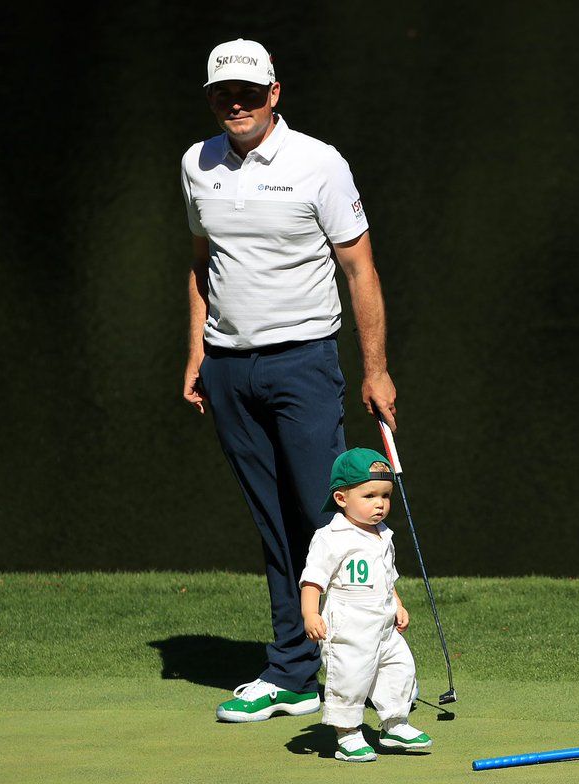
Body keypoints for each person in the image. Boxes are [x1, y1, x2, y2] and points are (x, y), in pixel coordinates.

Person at [180, 38, 398, 722]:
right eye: (223, 93)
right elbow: (201, 263)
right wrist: (195, 355)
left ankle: (368, 660)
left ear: (274, 93)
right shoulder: (197, 162)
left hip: (302, 361)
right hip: (227, 368)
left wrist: (375, 369)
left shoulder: (318, 164)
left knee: (326, 516)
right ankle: (294, 670)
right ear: (212, 98)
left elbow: (359, 268)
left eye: (248, 92)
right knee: (272, 521)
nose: (235, 104)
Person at [300, 448, 431, 762]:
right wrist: (310, 613)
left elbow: (388, 577)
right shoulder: (331, 537)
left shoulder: (383, 534)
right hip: (349, 625)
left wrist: (397, 604)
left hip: (383, 624)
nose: (380, 504)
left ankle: (395, 722)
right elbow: (313, 580)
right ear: (342, 498)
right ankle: (347, 734)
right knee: (350, 676)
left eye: (385, 496)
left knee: (400, 668)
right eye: (370, 495)